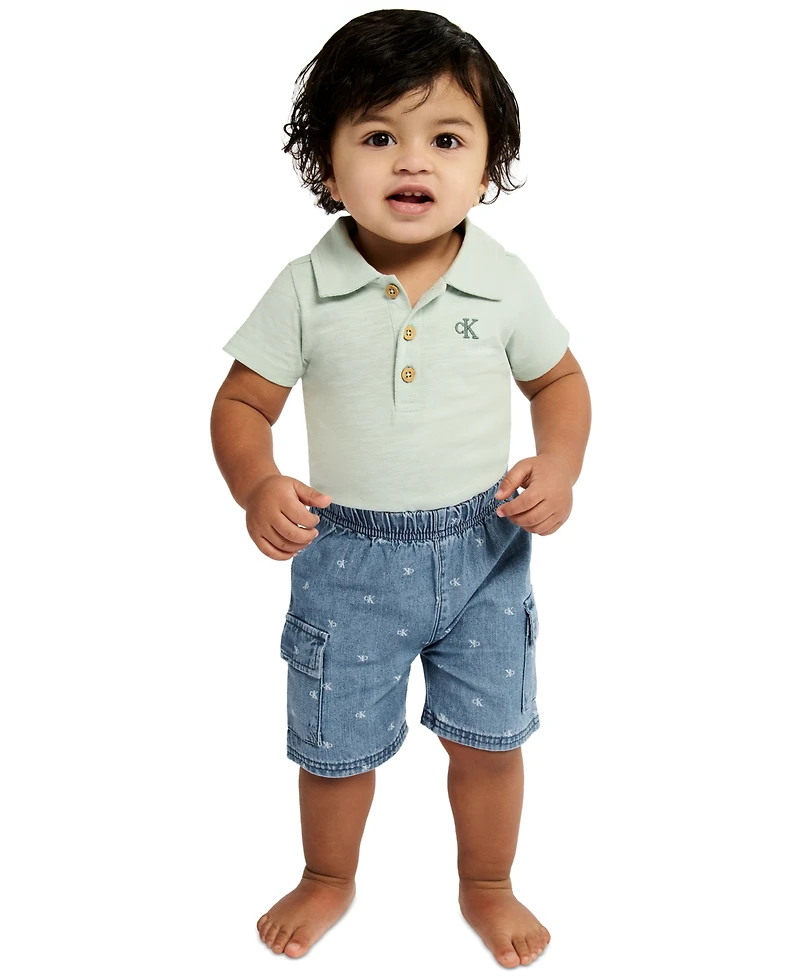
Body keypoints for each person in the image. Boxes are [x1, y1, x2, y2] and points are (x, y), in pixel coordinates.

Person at [210, 8, 591, 968]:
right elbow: (242, 402)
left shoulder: (503, 282)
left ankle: (488, 882)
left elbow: (558, 381)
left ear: (489, 165)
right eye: (378, 136)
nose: (412, 160)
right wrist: (256, 483)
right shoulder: (306, 287)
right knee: (333, 744)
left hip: (486, 551)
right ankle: (327, 874)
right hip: (347, 559)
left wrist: (559, 463)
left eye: (446, 139)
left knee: (492, 740)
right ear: (327, 166)